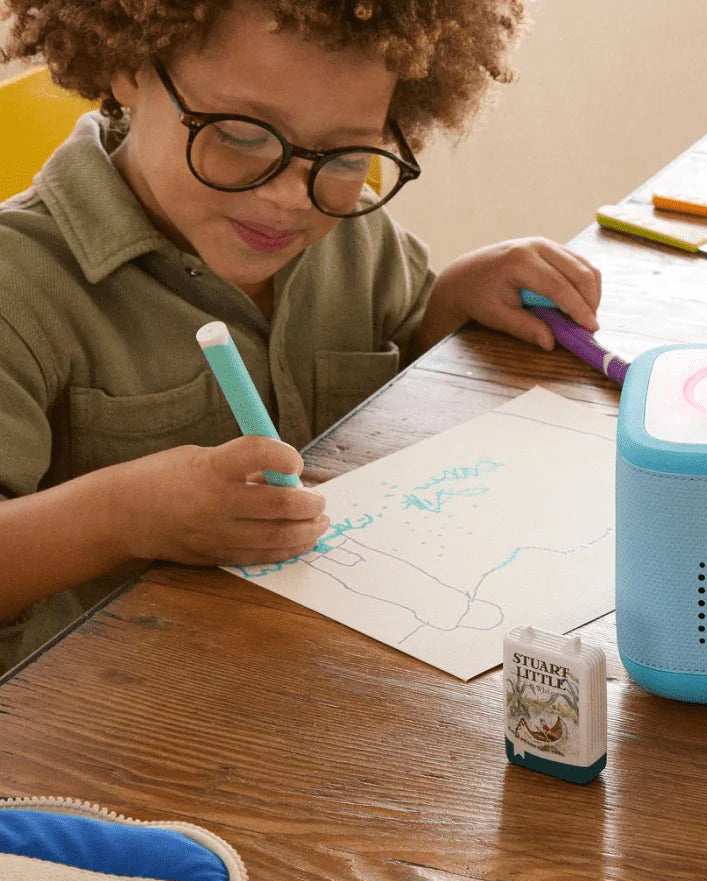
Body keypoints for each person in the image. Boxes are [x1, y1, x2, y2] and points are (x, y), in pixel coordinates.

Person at [0, 0, 602, 669]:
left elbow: (399, 387)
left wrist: (455, 299)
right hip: (106, 707)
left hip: (317, 666)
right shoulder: (17, 285)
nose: (291, 196)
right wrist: (124, 516)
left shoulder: (354, 239)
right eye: (241, 135)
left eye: (345, 155)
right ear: (129, 67)